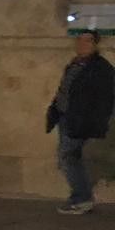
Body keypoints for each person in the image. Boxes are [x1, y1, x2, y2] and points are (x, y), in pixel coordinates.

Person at [46, 31, 115, 214]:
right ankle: (82, 197)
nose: (83, 44)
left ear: (95, 44)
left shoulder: (100, 68)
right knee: (69, 158)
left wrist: (92, 121)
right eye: (80, 40)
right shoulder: (75, 65)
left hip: (79, 121)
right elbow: (65, 91)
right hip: (65, 117)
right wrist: (54, 110)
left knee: (69, 157)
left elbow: (105, 100)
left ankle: (82, 198)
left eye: (88, 41)